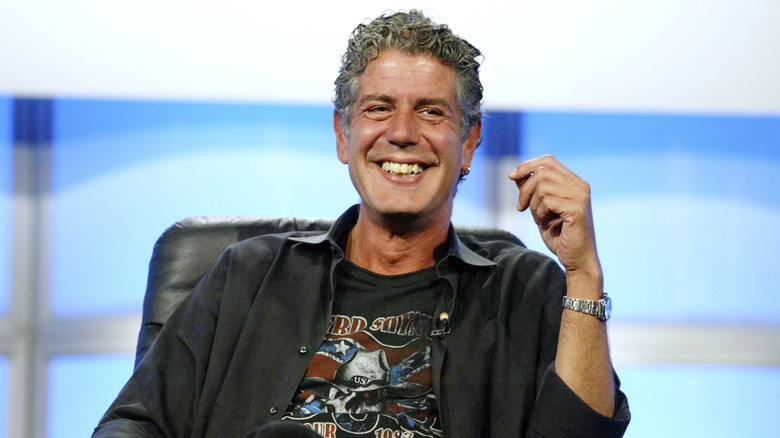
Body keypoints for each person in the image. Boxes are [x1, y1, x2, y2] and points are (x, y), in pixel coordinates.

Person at [94, 9, 630, 438]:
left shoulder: (525, 289)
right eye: (378, 108)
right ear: (342, 134)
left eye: (431, 111)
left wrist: (583, 273)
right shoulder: (248, 274)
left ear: (469, 143)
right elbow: (135, 423)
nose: (402, 133)